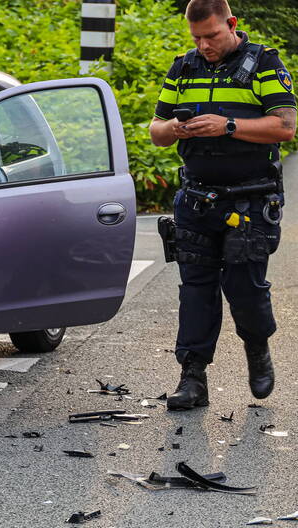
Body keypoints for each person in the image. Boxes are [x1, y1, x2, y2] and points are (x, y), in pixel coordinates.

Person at [149, 0, 296, 410]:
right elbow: (155, 130)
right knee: (195, 290)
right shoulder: (183, 67)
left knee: (244, 288)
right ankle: (192, 377)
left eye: (211, 36)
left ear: (231, 24)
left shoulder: (264, 63)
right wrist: (173, 128)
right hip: (197, 198)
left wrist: (227, 125)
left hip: (250, 199)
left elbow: (285, 127)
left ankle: (257, 348)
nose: (204, 45)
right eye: (196, 37)